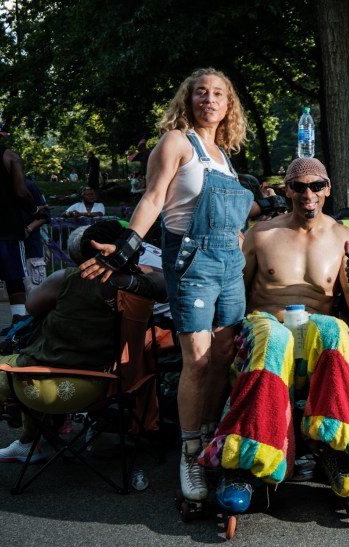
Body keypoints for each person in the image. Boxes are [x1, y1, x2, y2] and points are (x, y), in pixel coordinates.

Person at [79, 68, 252, 510]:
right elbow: (154, 199)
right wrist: (126, 247)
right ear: (188, 99)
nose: (209, 100)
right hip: (191, 263)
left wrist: (239, 239)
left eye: (218, 94)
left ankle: (211, 434)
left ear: (228, 105)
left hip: (230, 267)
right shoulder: (177, 142)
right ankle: (191, 453)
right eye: (200, 93)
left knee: (221, 359)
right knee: (195, 361)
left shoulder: (224, 155)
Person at [199, 156, 349, 514]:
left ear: (327, 189)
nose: (307, 194)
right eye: (299, 187)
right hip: (265, 326)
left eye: (315, 186)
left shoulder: (343, 238)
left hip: (315, 334)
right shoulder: (262, 234)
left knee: (333, 329)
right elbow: (237, 293)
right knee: (273, 340)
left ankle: (337, 451)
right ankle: (243, 461)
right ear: (287, 191)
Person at [0, 220, 165, 488]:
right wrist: (129, 271)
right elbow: (163, 278)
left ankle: (23, 445)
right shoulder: (144, 285)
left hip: (43, 387)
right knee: (26, 372)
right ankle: (31, 442)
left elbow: (31, 307)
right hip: (106, 386)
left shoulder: (65, 279)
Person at [0, 114, 47, 347]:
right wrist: (35, 209)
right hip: (6, 228)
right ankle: (19, 321)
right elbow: (20, 191)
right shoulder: (10, 156)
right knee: (14, 277)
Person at [22, 179, 50, 296]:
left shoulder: (29, 185)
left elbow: (45, 214)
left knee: (36, 291)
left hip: (32, 248)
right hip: (10, 249)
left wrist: (28, 229)